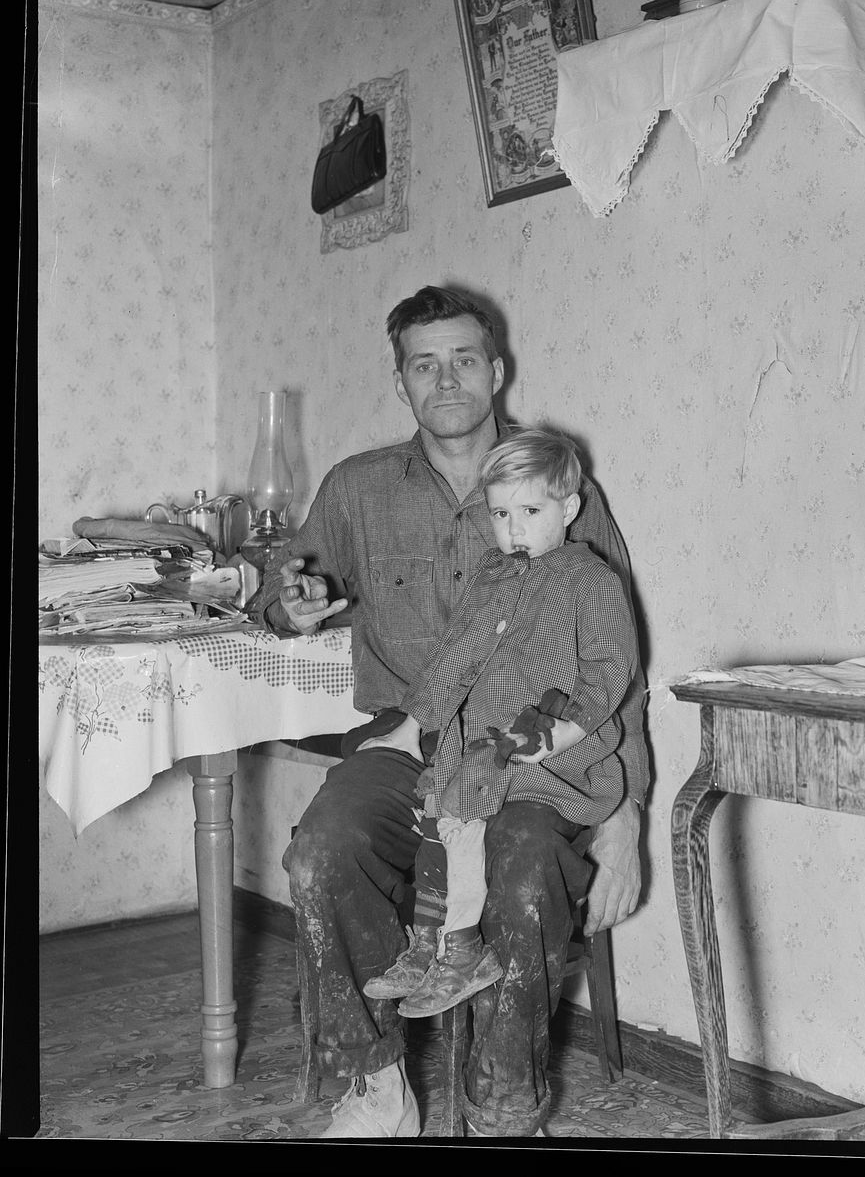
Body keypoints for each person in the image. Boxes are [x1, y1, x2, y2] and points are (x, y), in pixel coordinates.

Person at [254, 285, 648, 1138]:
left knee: (523, 872)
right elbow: (280, 592)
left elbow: (623, 669)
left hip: (534, 764)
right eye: (424, 364)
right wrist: (297, 601)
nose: (446, 378)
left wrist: (627, 817)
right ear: (401, 383)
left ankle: (503, 1105)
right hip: (408, 745)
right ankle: (375, 1088)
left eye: (463, 359)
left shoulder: (560, 486)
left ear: (495, 369)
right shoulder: (357, 489)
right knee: (322, 853)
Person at [360, 428, 638, 1022]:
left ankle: (459, 950)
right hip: (482, 749)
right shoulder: (493, 574)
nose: (514, 529)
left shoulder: (595, 582)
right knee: (435, 819)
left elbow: (611, 672)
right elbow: (456, 653)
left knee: (463, 825)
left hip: (561, 763)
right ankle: (431, 942)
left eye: (531, 511)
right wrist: (413, 724)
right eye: (501, 513)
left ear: (570, 508)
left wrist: (562, 732)